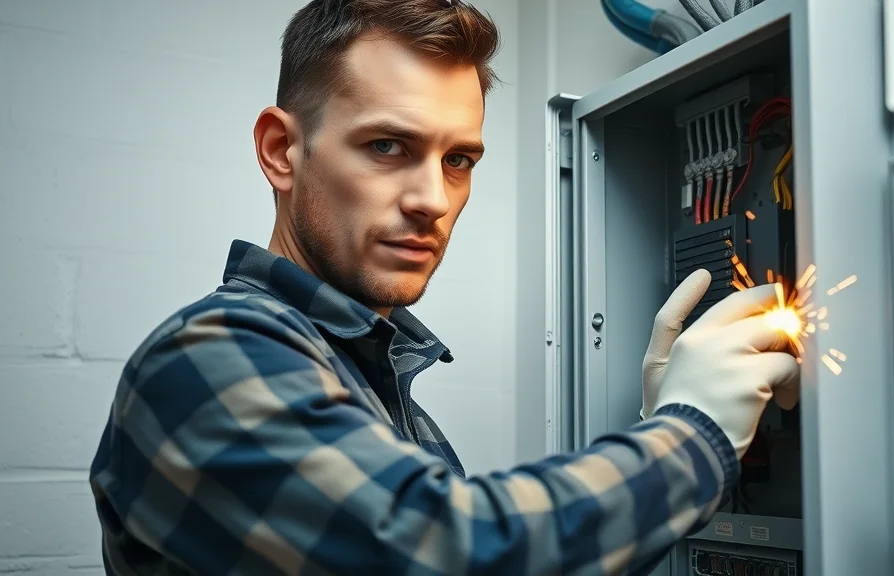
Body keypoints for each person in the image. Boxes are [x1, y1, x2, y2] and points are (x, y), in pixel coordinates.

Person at [88, 0, 800, 574]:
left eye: (459, 159)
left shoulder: (375, 390)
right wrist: (693, 432)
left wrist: (658, 436)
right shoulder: (203, 362)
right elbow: (457, 552)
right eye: (387, 147)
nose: (432, 198)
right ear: (282, 151)